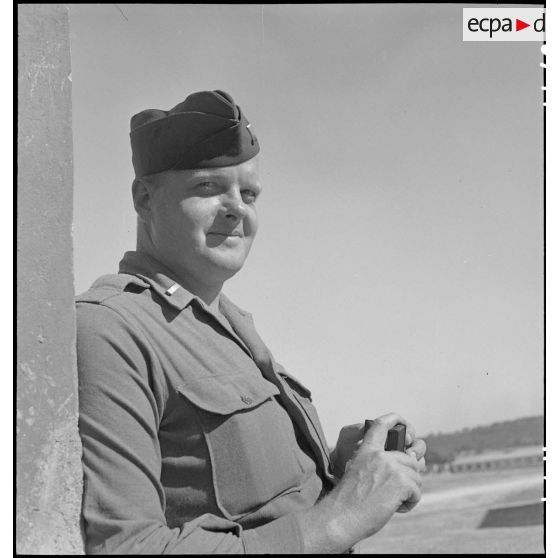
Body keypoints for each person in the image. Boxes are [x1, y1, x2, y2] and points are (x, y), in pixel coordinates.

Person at [76, 90, 427, 554]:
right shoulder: (109, 329)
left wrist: (339, 472)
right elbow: (129, 548)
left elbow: (251, 506)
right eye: (207, 187)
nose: (237, 208)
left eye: (249, 193)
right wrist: (345, 514)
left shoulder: (226, 320)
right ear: (144, 198)